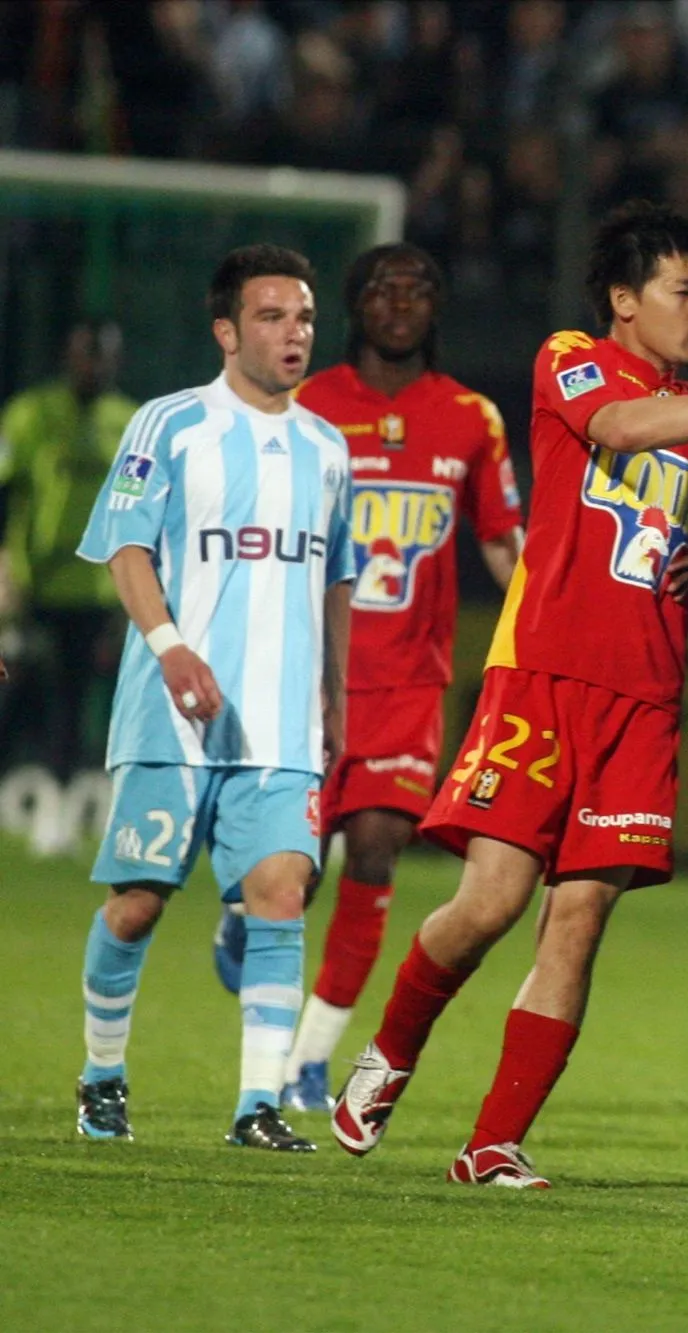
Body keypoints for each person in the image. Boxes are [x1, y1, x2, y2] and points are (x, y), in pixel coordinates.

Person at [330, 202, 688, 1187]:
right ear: (625, 300)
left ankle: (491, 1144)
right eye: (681, 289)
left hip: (645, 698)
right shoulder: (574, 358)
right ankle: (391, 1050)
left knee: (577, 919)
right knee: (490, 902)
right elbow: (619, 427)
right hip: (541, 676)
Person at [71, 245, 353, 1152]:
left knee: (280, 895)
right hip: (173, 714)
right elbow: (125, 547)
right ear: (227, 331)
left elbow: (336, 580)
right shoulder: (169, 424)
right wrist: (170, 646)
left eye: (303, 317)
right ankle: (102, 1076)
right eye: (271, 317)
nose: (293, 333)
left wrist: (338, 698)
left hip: (282, 724)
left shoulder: (328, 446)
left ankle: (256, 1105)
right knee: (141, 898)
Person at [267, 243, 525, 1112]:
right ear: (357, 304)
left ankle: (308, 1056)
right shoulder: (307, 406)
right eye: (384, 287)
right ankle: (245, 922)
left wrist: (543, 617)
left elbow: (501, 540)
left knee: (374, 848)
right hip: (305, 674)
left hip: (410, 686)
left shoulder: (470, 417)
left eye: (419, 288)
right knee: (288, 873)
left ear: (437, 307)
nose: (402, 301)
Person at [0, 322, 140, 778]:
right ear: (67, 356)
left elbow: (141, 511)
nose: (93, 365)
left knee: (76, 699)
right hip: (30, 583)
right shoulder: (29, 414)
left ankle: (59, 793)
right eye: (86, 353)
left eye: (103, 355)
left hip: (98, 590)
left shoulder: (130, 423)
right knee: (16, 685)